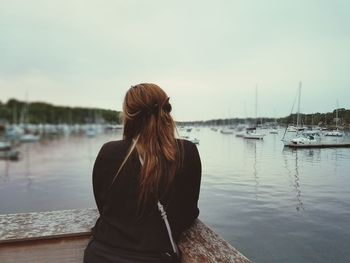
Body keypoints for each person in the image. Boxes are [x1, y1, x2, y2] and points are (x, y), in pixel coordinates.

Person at [84, 83, 202, 263]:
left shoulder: (108, 152)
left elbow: (104, 207)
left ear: (128, 116)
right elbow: (188, 213)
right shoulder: (187, 152)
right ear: (167, 111)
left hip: (100, 255)